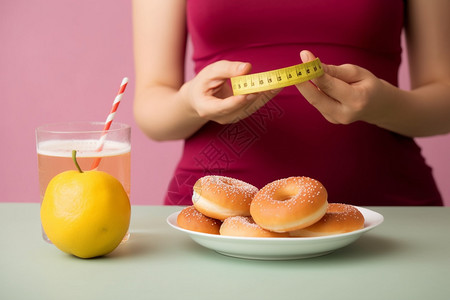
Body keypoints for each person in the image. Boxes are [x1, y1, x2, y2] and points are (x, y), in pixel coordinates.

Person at [132, 0, 450, 206]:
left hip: (387, 208)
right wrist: (191, 102)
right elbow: (152, 109)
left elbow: (444, 102)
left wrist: (383, 107)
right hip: (216, 217)